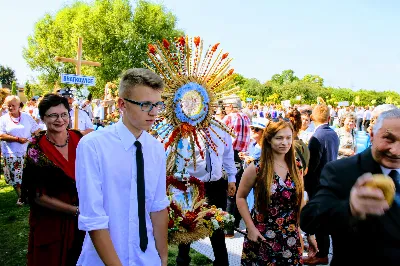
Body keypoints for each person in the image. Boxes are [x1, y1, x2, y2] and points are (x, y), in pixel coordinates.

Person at [76, 68, 169, 266]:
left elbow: (158, 206)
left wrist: (162, 257)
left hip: (147, 258)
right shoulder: (93, 146)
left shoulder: (156, 149)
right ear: (122, 105)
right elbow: (93, 218)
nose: (154, 112)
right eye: (145, 105)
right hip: (102, 259)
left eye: (157, 105)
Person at [300, 108, 400, 265]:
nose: (396, 150)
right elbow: (309, 219)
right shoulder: (340, 170)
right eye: (388, 139)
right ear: (372, 135)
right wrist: (349, 208)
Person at [20, 93, 85, 266]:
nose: (60, 119)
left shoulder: (80, 139)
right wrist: (75, 210)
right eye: (53, 115)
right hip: (51, 221)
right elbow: (37, 195)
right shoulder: (36, 148)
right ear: (42, 118)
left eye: (64, 114)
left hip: (83, 220)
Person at [236, 119, 304, 265]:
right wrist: (250, 228)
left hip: (290, 237)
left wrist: (306, 233)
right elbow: (240, 197)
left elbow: (300, 201)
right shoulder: (257, 168)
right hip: (261, 236)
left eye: (288, 138)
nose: (284, 142)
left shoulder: (297, 166)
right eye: (279, 138)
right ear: (269, 139)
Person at [176, 122, 237, 266]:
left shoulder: (220, 128)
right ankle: (182, 262)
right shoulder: (182, 128)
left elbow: (228, 154)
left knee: (217, 229)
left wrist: (232, 177)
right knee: (186, 230)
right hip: (190, 187)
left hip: (215, 185)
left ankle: (222, 263)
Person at [302, 103, 339, 265]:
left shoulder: (316, 137)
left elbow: (312, 165)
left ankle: (321, 254)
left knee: (319, 220)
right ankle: (321, 251)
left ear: (312, 118)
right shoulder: (333, 134)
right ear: (329, 118)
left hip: (317, 184)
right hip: (329, 181)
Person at [0, 95, 40, 205]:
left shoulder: (26, 117)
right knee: (15, 176)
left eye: (13, 105)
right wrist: (17, 139)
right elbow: (1, 135)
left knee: (29, 175)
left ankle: (29, 195)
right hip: (11, 153)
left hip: (27, 152)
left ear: (19, 106)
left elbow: (37, 129)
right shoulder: (3, 119)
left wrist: (35, 139)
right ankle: (21, 197)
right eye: (8, 106)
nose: (11, 107)